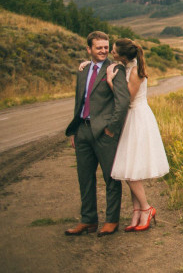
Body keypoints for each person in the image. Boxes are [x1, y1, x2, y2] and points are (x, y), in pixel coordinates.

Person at [80, 38, 170, 232]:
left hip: (137, 117)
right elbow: (105, 65)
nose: (111, 53)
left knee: (130, 171)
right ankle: (137, 213)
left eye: (113, 50)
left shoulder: (136, 71)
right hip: (130, 117)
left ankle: (146, 208)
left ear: (122, 55)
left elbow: (127, 97)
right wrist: (89, 64)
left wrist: (111, 82)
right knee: (130, 167)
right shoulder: (126, 65)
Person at [64, 31, 130, 237]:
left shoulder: (115, 69)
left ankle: (111, 220)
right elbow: (79, 101)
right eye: (98, 47)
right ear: (89, 49)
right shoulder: (83, 70)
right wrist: (74, 130)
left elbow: (123, 101)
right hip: (82, 129)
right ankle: (88, 220)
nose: (103, 51)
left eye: (105, 47)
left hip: (104, 133)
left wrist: (111, 129)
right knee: (84, 177)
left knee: (111, 178)